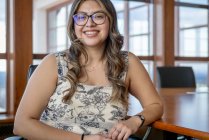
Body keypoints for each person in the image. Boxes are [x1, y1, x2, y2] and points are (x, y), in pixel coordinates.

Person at [13, 0, 163, 140]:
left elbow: (155, 105)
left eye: (98, 16)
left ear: (110, 21)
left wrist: (135, 121)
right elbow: (21, 124)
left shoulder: (128, 62)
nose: (89, 24)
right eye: (81, 17)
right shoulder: (52, 63)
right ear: (73, 24)